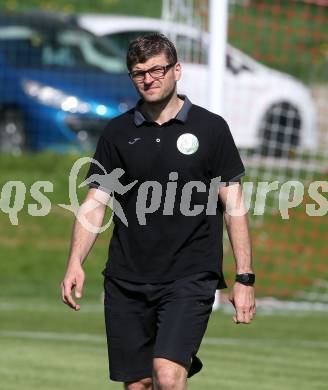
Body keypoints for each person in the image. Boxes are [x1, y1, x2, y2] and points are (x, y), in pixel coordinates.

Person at [61, 33, 256, 390]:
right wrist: (75, 262)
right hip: (127, 277)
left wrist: (244, 278)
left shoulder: (211, 129)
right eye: (139, 73)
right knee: (138, 384)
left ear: (176, 70)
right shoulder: (117, 133)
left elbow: (235, 206)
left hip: (190, 274)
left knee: (166, 375)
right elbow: (95, 203)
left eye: (157, 70)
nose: (149, 79)